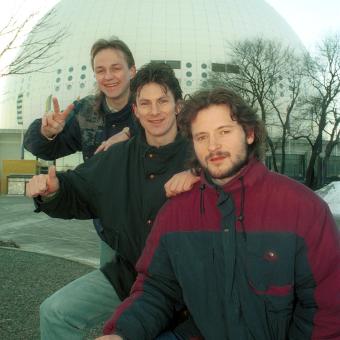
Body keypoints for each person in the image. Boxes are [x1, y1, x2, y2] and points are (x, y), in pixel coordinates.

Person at [100, 88, 340, 340]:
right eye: (201, 137)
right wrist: (121, 333)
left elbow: (327, 308)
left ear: (249, 133)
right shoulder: (175, 213)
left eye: (224, 132)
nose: (213, 146)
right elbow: (157, 289)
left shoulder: (303, 208)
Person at [26, 62, 201, 339]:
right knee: (54, 311)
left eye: (162, 102)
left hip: (191, 284)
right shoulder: (116, 157)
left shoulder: (202, 156)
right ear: (135, 110)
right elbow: (77, 190)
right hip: (130, 273)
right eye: (145, 103)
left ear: (178, 106)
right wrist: (53, 191)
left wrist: (199, 174)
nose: (154, 112)